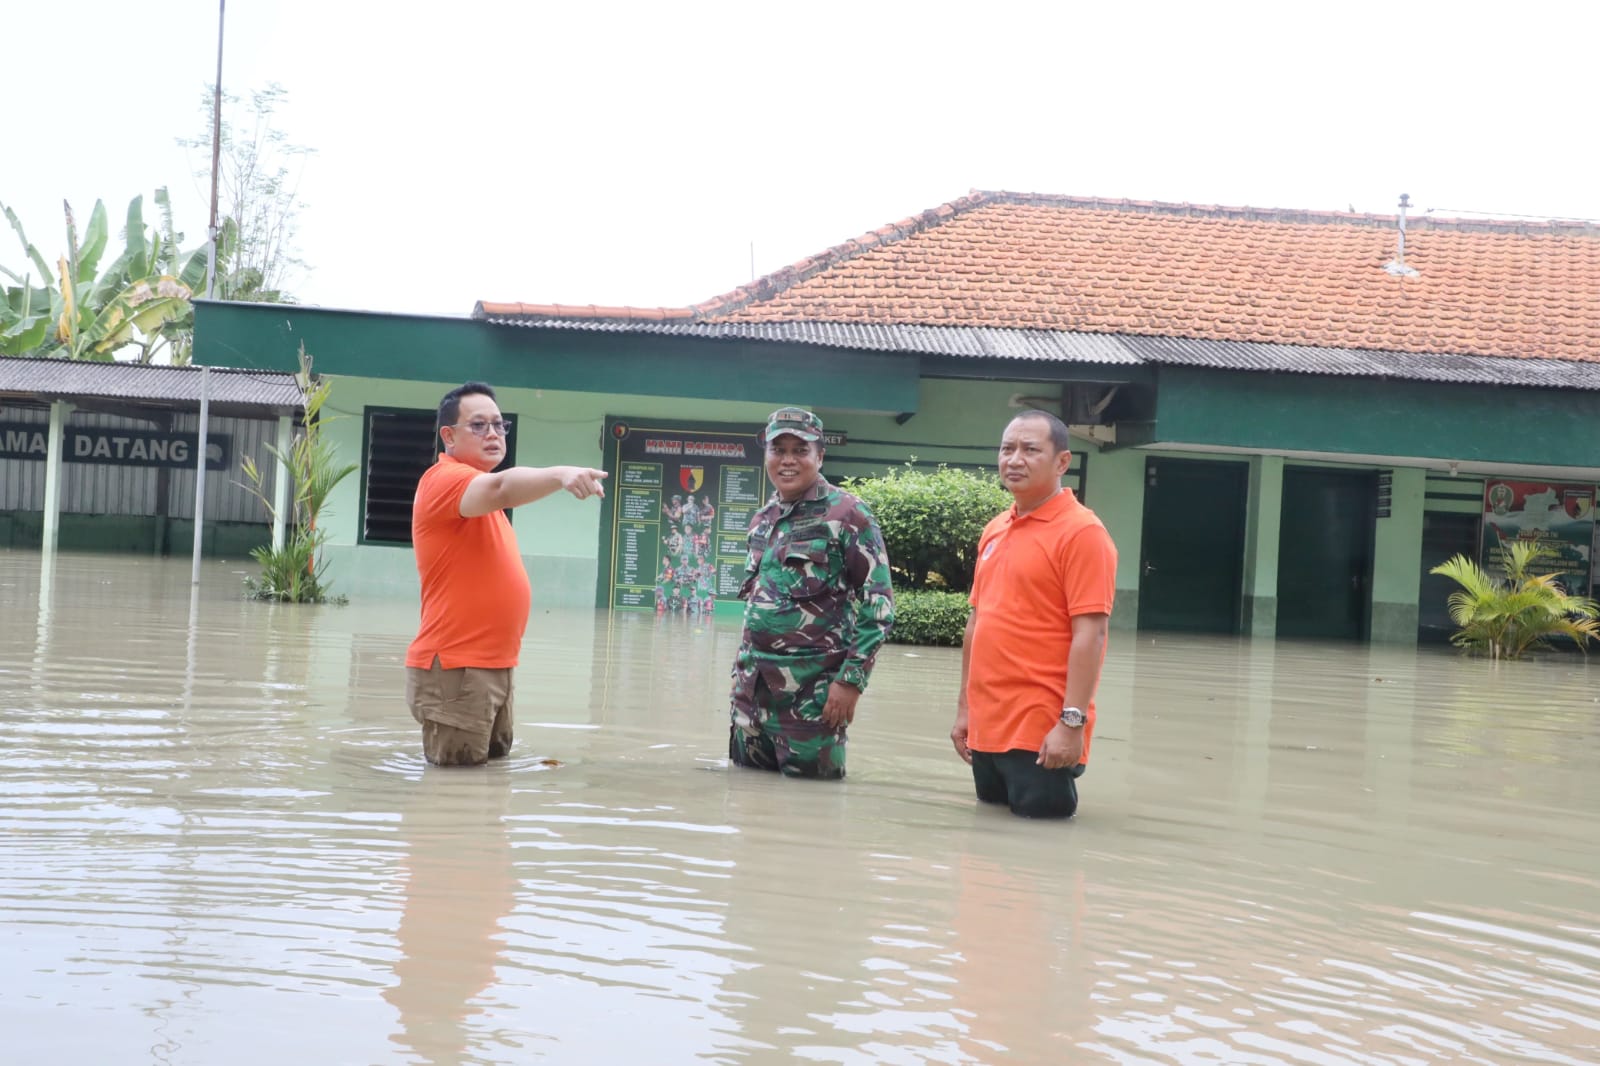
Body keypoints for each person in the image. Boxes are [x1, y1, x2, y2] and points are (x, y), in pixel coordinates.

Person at [405, 381, 608, 767]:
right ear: (448, 436)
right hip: (456, 668)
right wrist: (561, 474)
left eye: (499, 425)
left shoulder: (479, 501)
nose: (494, 434)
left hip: (492, 668)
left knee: (488, 791)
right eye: (478, 425)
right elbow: (502, 486)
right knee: (454, 798)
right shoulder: (443, 481)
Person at [951, 410, 1117, 818]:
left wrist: (1071, 724)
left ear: (1062, 461)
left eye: (1030, 450)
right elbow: (978, 623)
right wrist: (965, 709)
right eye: (1007, 449)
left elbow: (1091, 636)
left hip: (1039, 730)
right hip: (987, 727)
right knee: (988, 852)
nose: (1014, 459)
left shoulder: (1082, 534)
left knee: (1042, 857)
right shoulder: (995, 529)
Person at [728, 407, 894, 779]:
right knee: (745, 806)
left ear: (820, 456)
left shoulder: (849, 515)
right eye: (778, 449)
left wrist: (851, 681)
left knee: (812, 813)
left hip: (811, 704)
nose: (787, 460)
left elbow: (879, 608)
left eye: (800, 450)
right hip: (750, 699)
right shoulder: (763, 520)